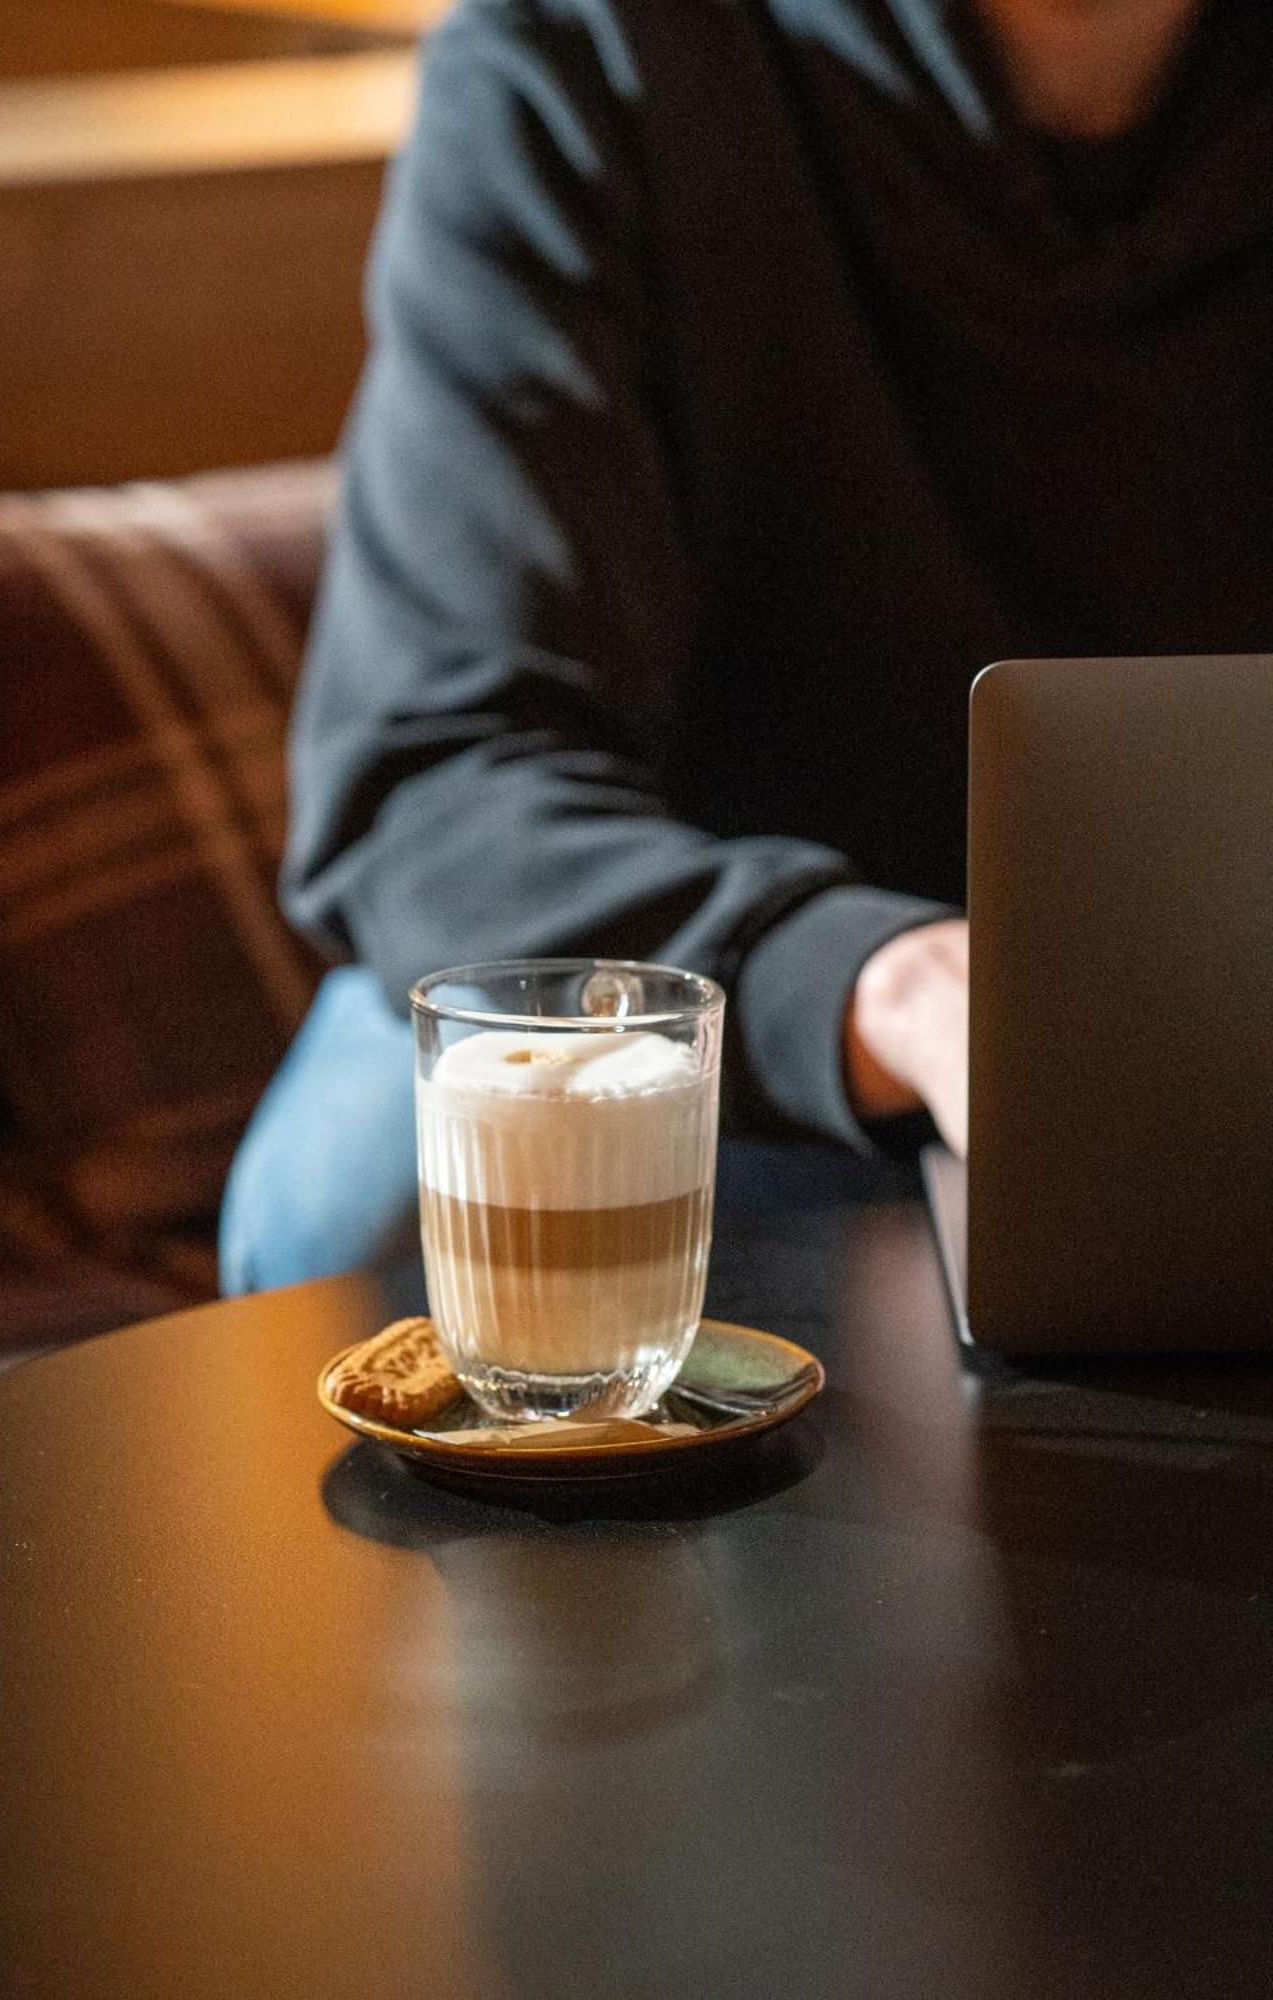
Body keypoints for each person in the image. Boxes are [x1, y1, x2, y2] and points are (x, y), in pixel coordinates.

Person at [219, 0, 1273, 1294]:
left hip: (1217, 1021)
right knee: (367, 1213)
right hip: (741, 1011)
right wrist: (896, 991)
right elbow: (431, 792)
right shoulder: (587, 60)